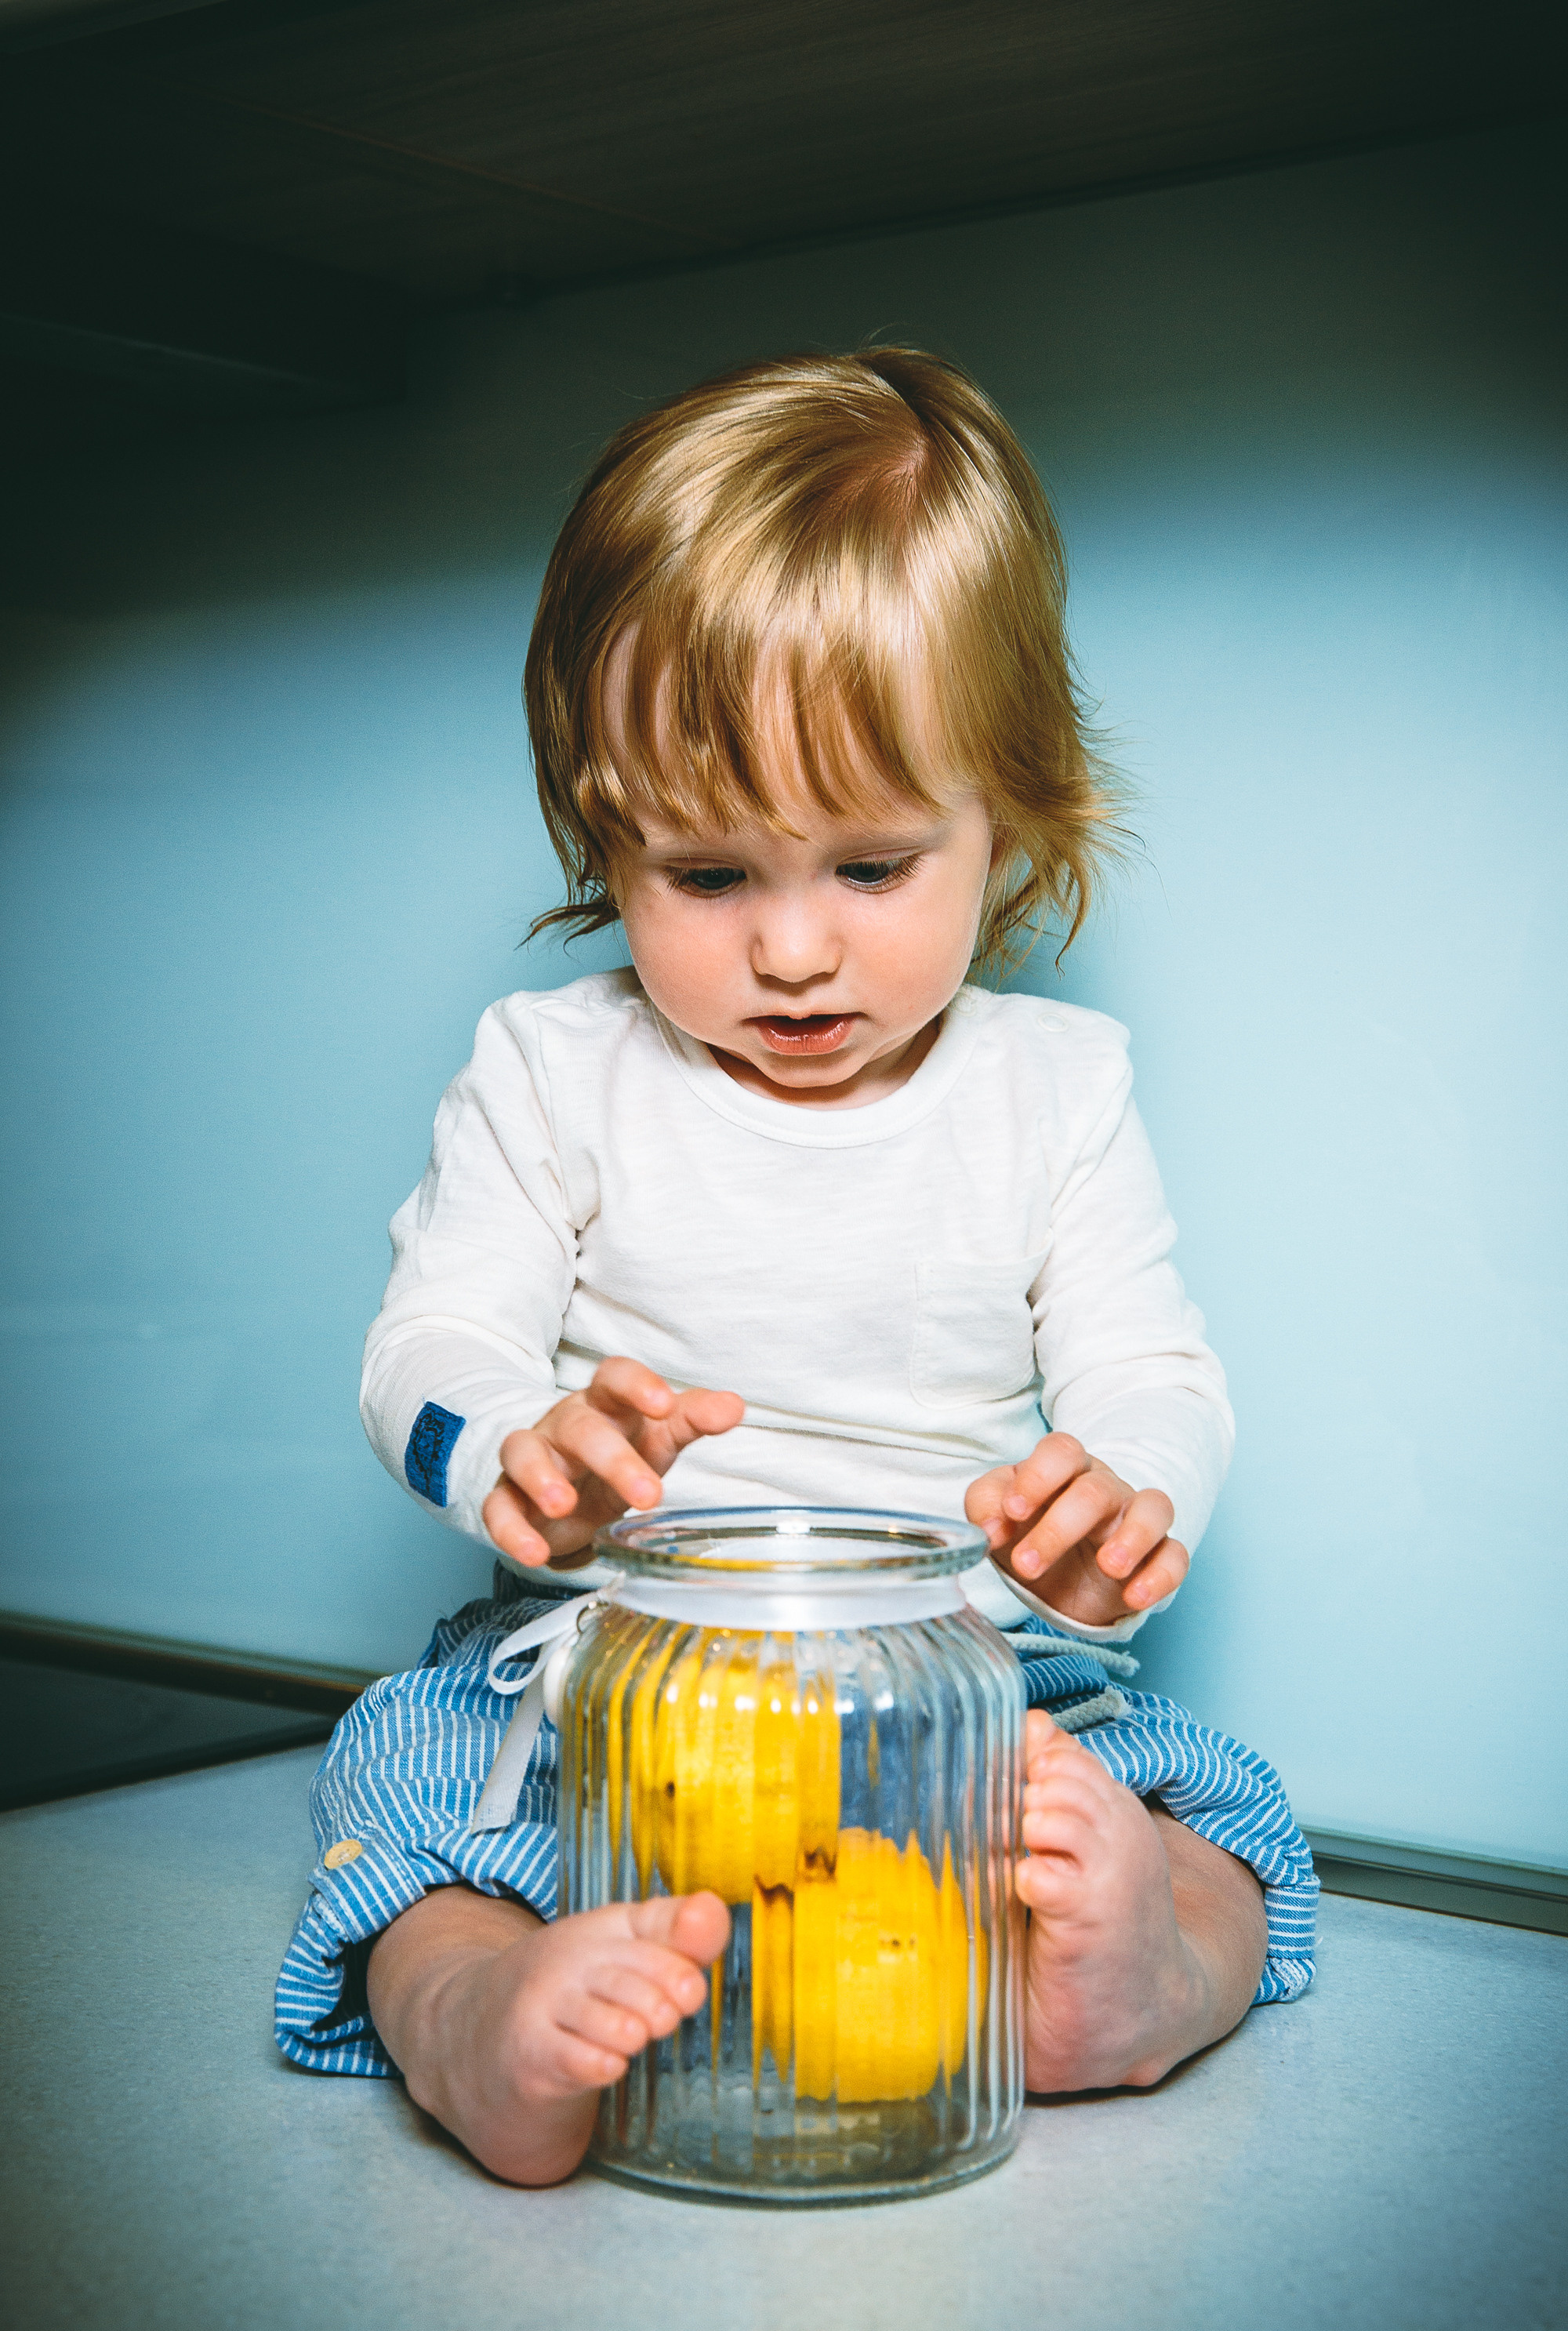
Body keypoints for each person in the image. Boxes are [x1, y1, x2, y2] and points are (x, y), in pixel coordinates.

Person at [274, 348, 1318, 2187]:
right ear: (601, 833)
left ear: (1014, 815)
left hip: (976, 1678)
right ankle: (473, 2022)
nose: (790, 951)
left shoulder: (1053, 1092)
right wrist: (510, 1444)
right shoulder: (552, 1068)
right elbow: (425, 1340)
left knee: (1200, 1809)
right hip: (611, 1681)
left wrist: (1128, 1496)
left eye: (868, 863)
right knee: (407, 1795)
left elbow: (1155, 1369)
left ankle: (1149, 1978)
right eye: (702, 876)